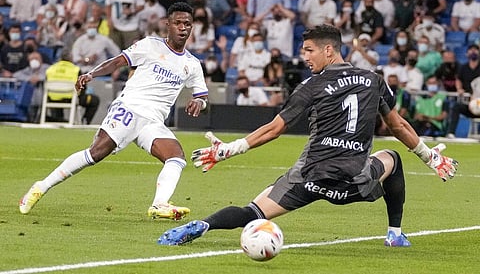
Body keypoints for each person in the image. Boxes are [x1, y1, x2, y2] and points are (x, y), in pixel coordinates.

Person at [157, 24, 458, 247]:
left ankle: (203, 225)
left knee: (253, 210)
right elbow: (398, 126)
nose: (305, 57)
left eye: (309, 50)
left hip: (309, 178)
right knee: (391, 158)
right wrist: (429, 156)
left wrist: (229, 150)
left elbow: (275, 128)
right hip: (354, 180)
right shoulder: (373, 80)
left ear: (329, 50)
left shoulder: (310, 87)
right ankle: (394, 234)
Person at [19, 2, 210, 219]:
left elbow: (202, 97)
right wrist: (92, 74)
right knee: (96, 153)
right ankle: (40, 187)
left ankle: (159, 204)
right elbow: (117, 61)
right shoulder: (150, 45)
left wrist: (200, 103)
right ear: (168, 24)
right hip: (130, 108)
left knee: (176, 157)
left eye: (187, 24)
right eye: (178, 23)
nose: (183, 28)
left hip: (153, 122)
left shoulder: (192, 64)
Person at [43, 50, 100, 125]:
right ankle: (84, 121)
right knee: (95, 100)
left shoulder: (50, 69)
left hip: (53, 98)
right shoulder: (76, 70)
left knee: (55, 97)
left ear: (60, 58)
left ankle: (59, 120)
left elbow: (45, 84)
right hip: (70, 98)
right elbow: (82, 87)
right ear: (71, 58)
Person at [446, 44, 480, 138]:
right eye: (471, 50)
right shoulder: (463, 67)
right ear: (467, 53)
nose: (473, 52)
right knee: (456, 107)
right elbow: (458, 79)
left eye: (475, 50)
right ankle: (451, 133)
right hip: (470, 103)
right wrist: (459, 89)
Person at [12, 51, 50, 123]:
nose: (34, 61)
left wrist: (39, 78)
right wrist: (29, 79)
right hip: (31, 99)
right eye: (32, 59)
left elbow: (50, 74)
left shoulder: (46, 68)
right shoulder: (28, 70)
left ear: (41, 59)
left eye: (36, 58)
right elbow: (16, 74)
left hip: (43, 95)